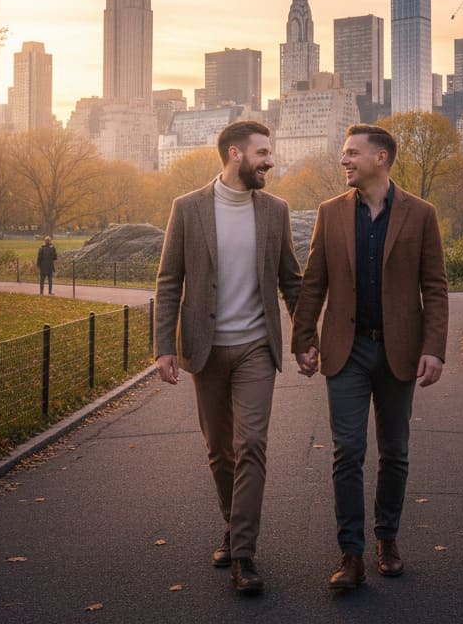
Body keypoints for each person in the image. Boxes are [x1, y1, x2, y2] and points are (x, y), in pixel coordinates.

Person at [293, 123, 449, 591]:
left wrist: (434, 349)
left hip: (400, 351)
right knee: (348, 452)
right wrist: (303, 340)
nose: (344, 160)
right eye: (344, 153)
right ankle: (351, 554)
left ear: (380, 158)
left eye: (351, 153)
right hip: (348, 350)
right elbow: (313, 280)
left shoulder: (421, 215)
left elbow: (435, 288)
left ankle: (387, 539)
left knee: (395, 452)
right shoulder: (330, 212)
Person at [154, 120, 301, 596]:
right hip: (206, 349)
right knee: (220, 452)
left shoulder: (275, 211)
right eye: (262, 152)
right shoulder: (188, 208)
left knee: (251, 446)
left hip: (257, 346)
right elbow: (169, 280)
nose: (269, 160)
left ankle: (243, 554)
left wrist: (307, 336)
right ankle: (233, 525)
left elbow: (291, 280)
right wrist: (164, 348)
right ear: (235, 154)